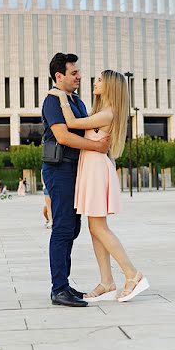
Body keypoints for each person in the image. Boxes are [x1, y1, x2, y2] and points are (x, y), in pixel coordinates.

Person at [49, 68, 149, 303]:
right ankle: (107, 281)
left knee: (99, 227)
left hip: (95, 170)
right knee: (95, 228)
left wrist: (61, 96)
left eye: (100, 80)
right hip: (91, 168)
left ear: (111, 86)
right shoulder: (101, 111)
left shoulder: (108, 113)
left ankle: (132, 274)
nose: (95, 82)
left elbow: (71, 122)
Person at [41, 52, 112, 307]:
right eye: (73, 73)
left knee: (72, 228)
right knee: (62, 228)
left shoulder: (77, 101)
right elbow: (63, 137)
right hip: (59, 169)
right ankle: (58, 289)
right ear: (59, 76)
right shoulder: (53, 100)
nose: (79, 76)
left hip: (75, 170)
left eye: (78, 72)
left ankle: (64, 284)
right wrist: (97, 148)